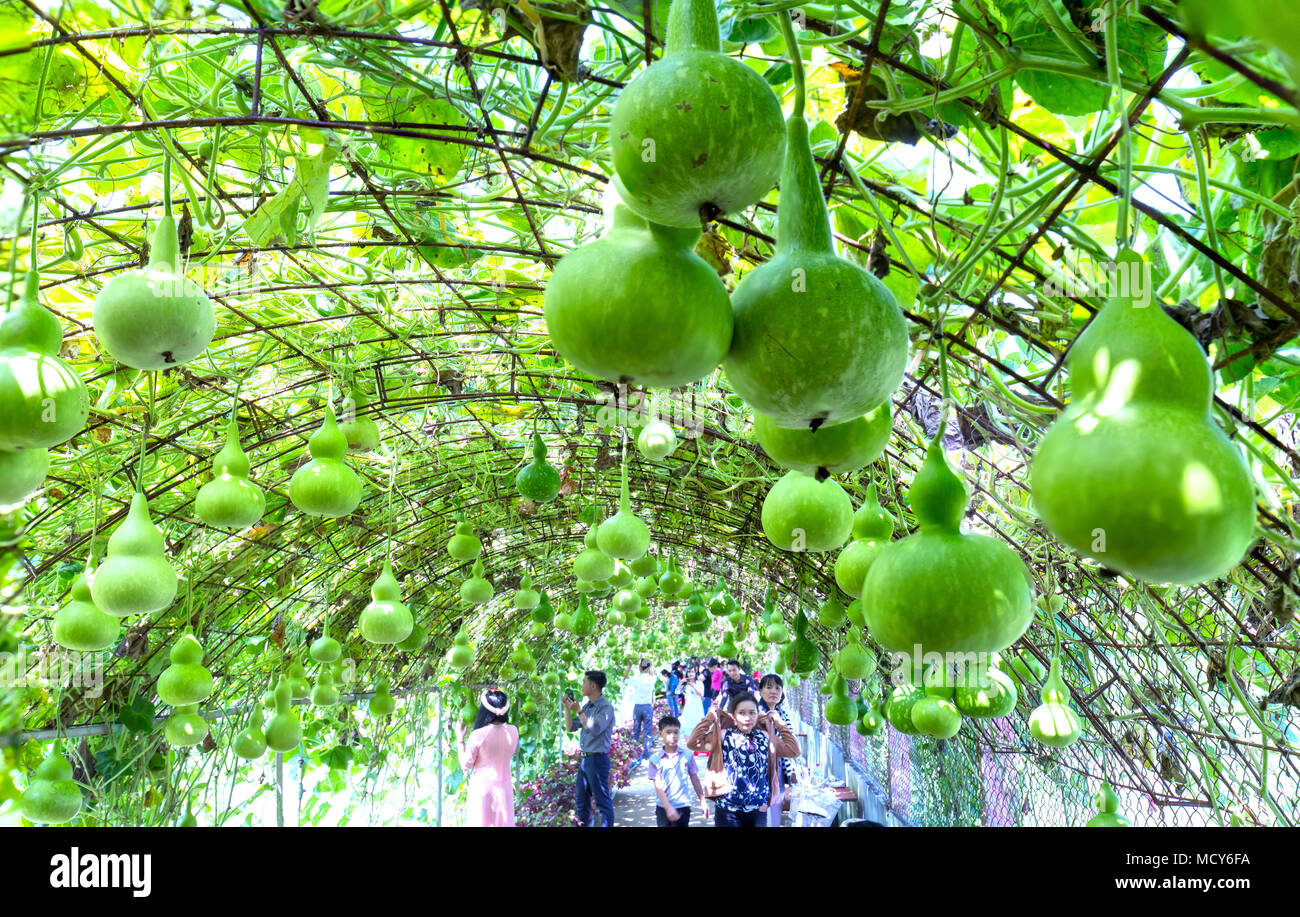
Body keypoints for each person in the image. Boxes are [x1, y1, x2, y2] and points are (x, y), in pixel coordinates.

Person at [687, 692, 799, 828]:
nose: (747, 718)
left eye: (752, 713)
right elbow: (693, 743)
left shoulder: (765, 736)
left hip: (758, 811)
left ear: (758, 715)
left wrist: (779, 723)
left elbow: (793, 750)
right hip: (728, 811)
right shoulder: (724, 736)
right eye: (742, 713)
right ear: (733, 716)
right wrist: (710, 717)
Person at [455, 689, 520, 827]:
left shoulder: (478, 735)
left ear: (483, 710)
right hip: (505, 790)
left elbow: (466, 765)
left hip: (482, 792)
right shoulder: (514, 731)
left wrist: (460, 739)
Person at [562, 670, 616, 827]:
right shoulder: (588, 706)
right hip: (586, 760)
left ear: (593, 686)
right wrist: (567, 708)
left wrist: (579, 711)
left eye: (584, 682)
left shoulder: (605, 708)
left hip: (597, 759)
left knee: (602, 802)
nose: (581, 685)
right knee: (581, 803)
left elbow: (595, 728)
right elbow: (570, 727)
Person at [648, 716, 704, 827]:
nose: (673, 736)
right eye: (668, 732)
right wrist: (668, 807)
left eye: (676, 732)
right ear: (660, 734)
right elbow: (658, 785)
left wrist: (703, 800)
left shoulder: (687, 755)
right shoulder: (655, 759)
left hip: (683, 806)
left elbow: (694, 777)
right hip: (662, 807)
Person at [758, 674, 796, 828]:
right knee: (760, 810)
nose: (773, 691)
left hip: (779, 768)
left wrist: (792, 772)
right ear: (760, 691)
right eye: (768, 687)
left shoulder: (783, 714)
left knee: (775, 808)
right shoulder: (755, 713)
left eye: (777, 688)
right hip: (760, 768)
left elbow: (791, 744)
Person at [627, 660, 658, 761]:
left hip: (637, 707)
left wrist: (630, 666)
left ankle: (634, 756)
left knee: (636, 731)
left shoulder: (636, 679)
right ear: (649, 669)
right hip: (647, 707)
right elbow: (652, 671)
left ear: (640, 668)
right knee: (647, 732)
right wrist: (649, 664)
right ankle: (646, 755)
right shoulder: (652, 679)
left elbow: (626, 679)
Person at [677, 666, 705, 743]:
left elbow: (701, 694)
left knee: (697, 727)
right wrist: (681, 682)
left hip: (697, 708)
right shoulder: (685, 685)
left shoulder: (699, 683)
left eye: (692, 672)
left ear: (695, 673)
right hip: (688, 708)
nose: (690, 674)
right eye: (689, 672)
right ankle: (688, 747)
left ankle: (696, 748)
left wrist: (692, 685)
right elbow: (677, 692)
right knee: (687, 727)